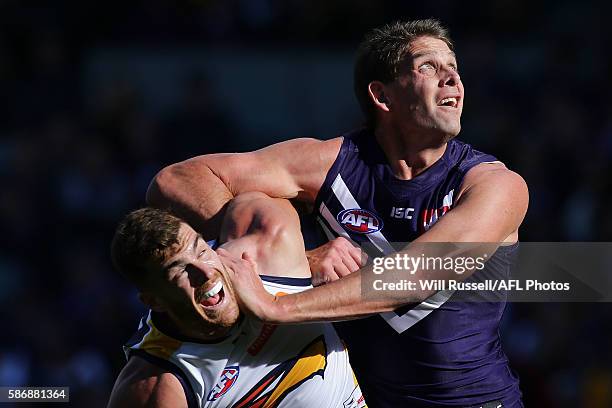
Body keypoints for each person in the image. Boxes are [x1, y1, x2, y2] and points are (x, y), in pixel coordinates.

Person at [147, 19, 528, 407]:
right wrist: (290, 261)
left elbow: (415, 276)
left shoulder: (497, 185)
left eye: (454, 67)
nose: (452, 79)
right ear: (382, 96)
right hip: (358, 401)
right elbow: (177, 180)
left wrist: (278, 303)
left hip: (478, 401)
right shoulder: (332, 163)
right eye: (429, 66)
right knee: (257, 205)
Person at [107, 192, 366, 407]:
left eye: (201, 250)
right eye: (180, 270)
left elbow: (172, 180)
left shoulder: (269, 245)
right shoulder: (159, 386)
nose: (206, 272)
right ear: (154, 301)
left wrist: (300, 265)